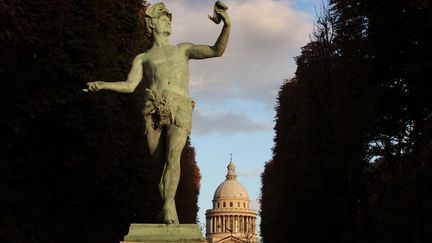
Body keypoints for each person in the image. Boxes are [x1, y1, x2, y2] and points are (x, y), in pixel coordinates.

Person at [85, 2, 230, 224]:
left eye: (169, 19)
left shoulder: (182, 49)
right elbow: (130, 85)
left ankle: (169, 210)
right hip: (152, 109)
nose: (169, 22)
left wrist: (227, 25)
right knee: (158, 167)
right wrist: (104, 84)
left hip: (179, 105)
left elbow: (216, 50)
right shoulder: (142, 58)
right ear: (151, 24)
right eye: (164, 18)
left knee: (174, 155)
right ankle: (168, 205)